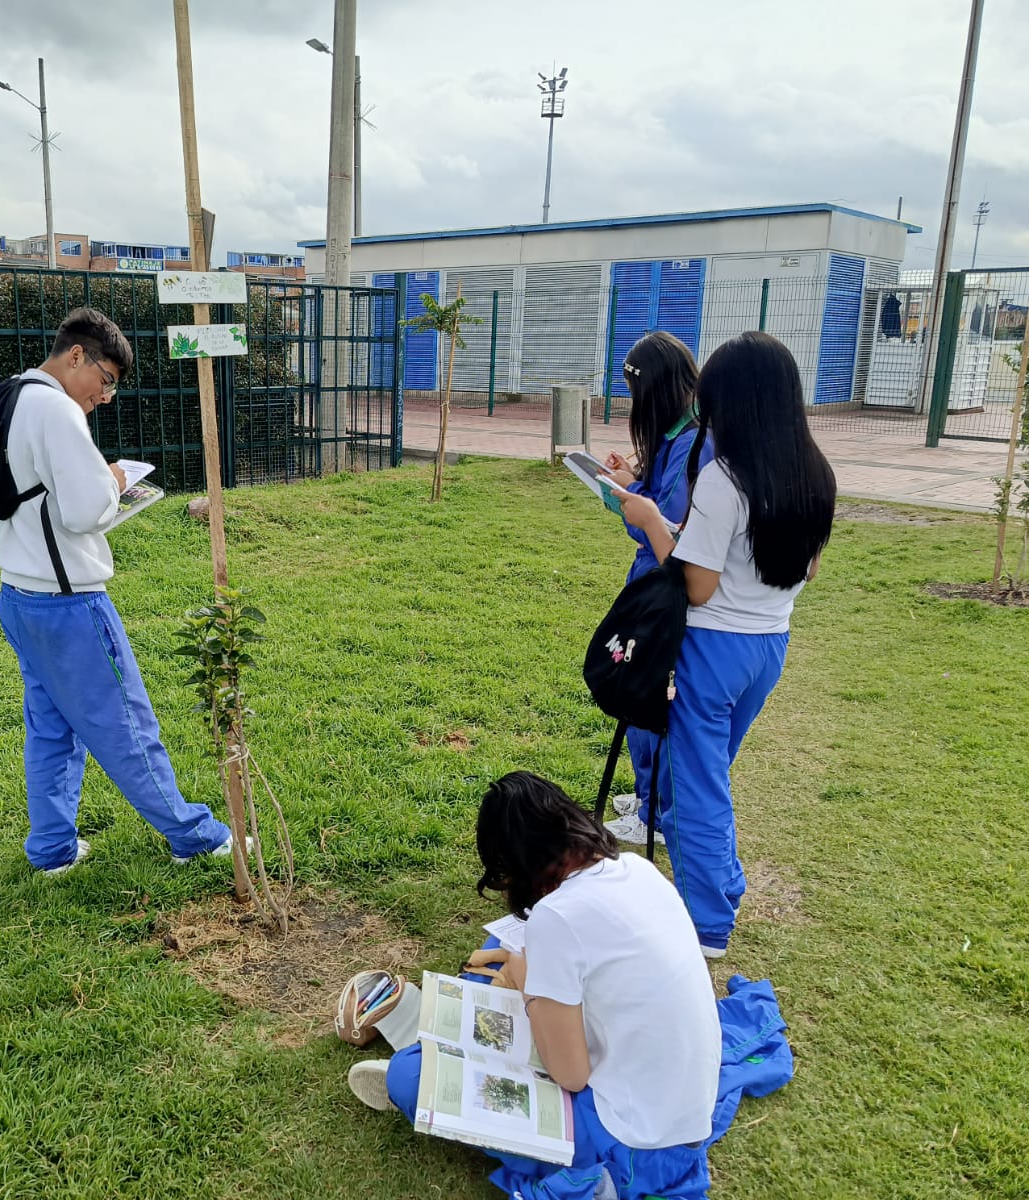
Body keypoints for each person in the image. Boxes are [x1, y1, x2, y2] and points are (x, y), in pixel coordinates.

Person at [347, 772, 721, 1200]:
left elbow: (571, 1076)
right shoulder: (636, 868)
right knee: (503, 945)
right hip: (680, 1110)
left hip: (630, 1138)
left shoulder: (556, 917)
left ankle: (429, 1054)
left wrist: (525, 985)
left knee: (410, 1077)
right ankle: (441, 1034)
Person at [0, 307, 237, 874]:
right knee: (125, 723)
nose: (105, 395)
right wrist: (116, 482)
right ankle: (195, 836)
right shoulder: (56, 410)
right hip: (69, 602)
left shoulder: (14, 393)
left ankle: (52, 849)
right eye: (105, 380)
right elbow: (84, 512)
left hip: (19, 594)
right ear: (76, 355)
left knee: (51, 728)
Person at [615, 332, 835, 957]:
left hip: (710, 653)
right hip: (769, 648)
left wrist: (654, 522)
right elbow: (805, 570)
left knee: (694, 790)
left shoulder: (721, 480)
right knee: (708, 778)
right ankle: (724, 881)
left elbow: (699, 588)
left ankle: (706, 924)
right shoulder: (812, 476)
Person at [597, 331, 713, 849]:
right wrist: (627, 481)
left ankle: (657, 815)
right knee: (635, 690)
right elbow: (655, 504)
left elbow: (664, 526)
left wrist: (625, 502)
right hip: (650, 581)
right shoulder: (676, 434)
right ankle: (647, 795)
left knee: (648, 695)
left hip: (663, 585)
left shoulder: (693, 443)